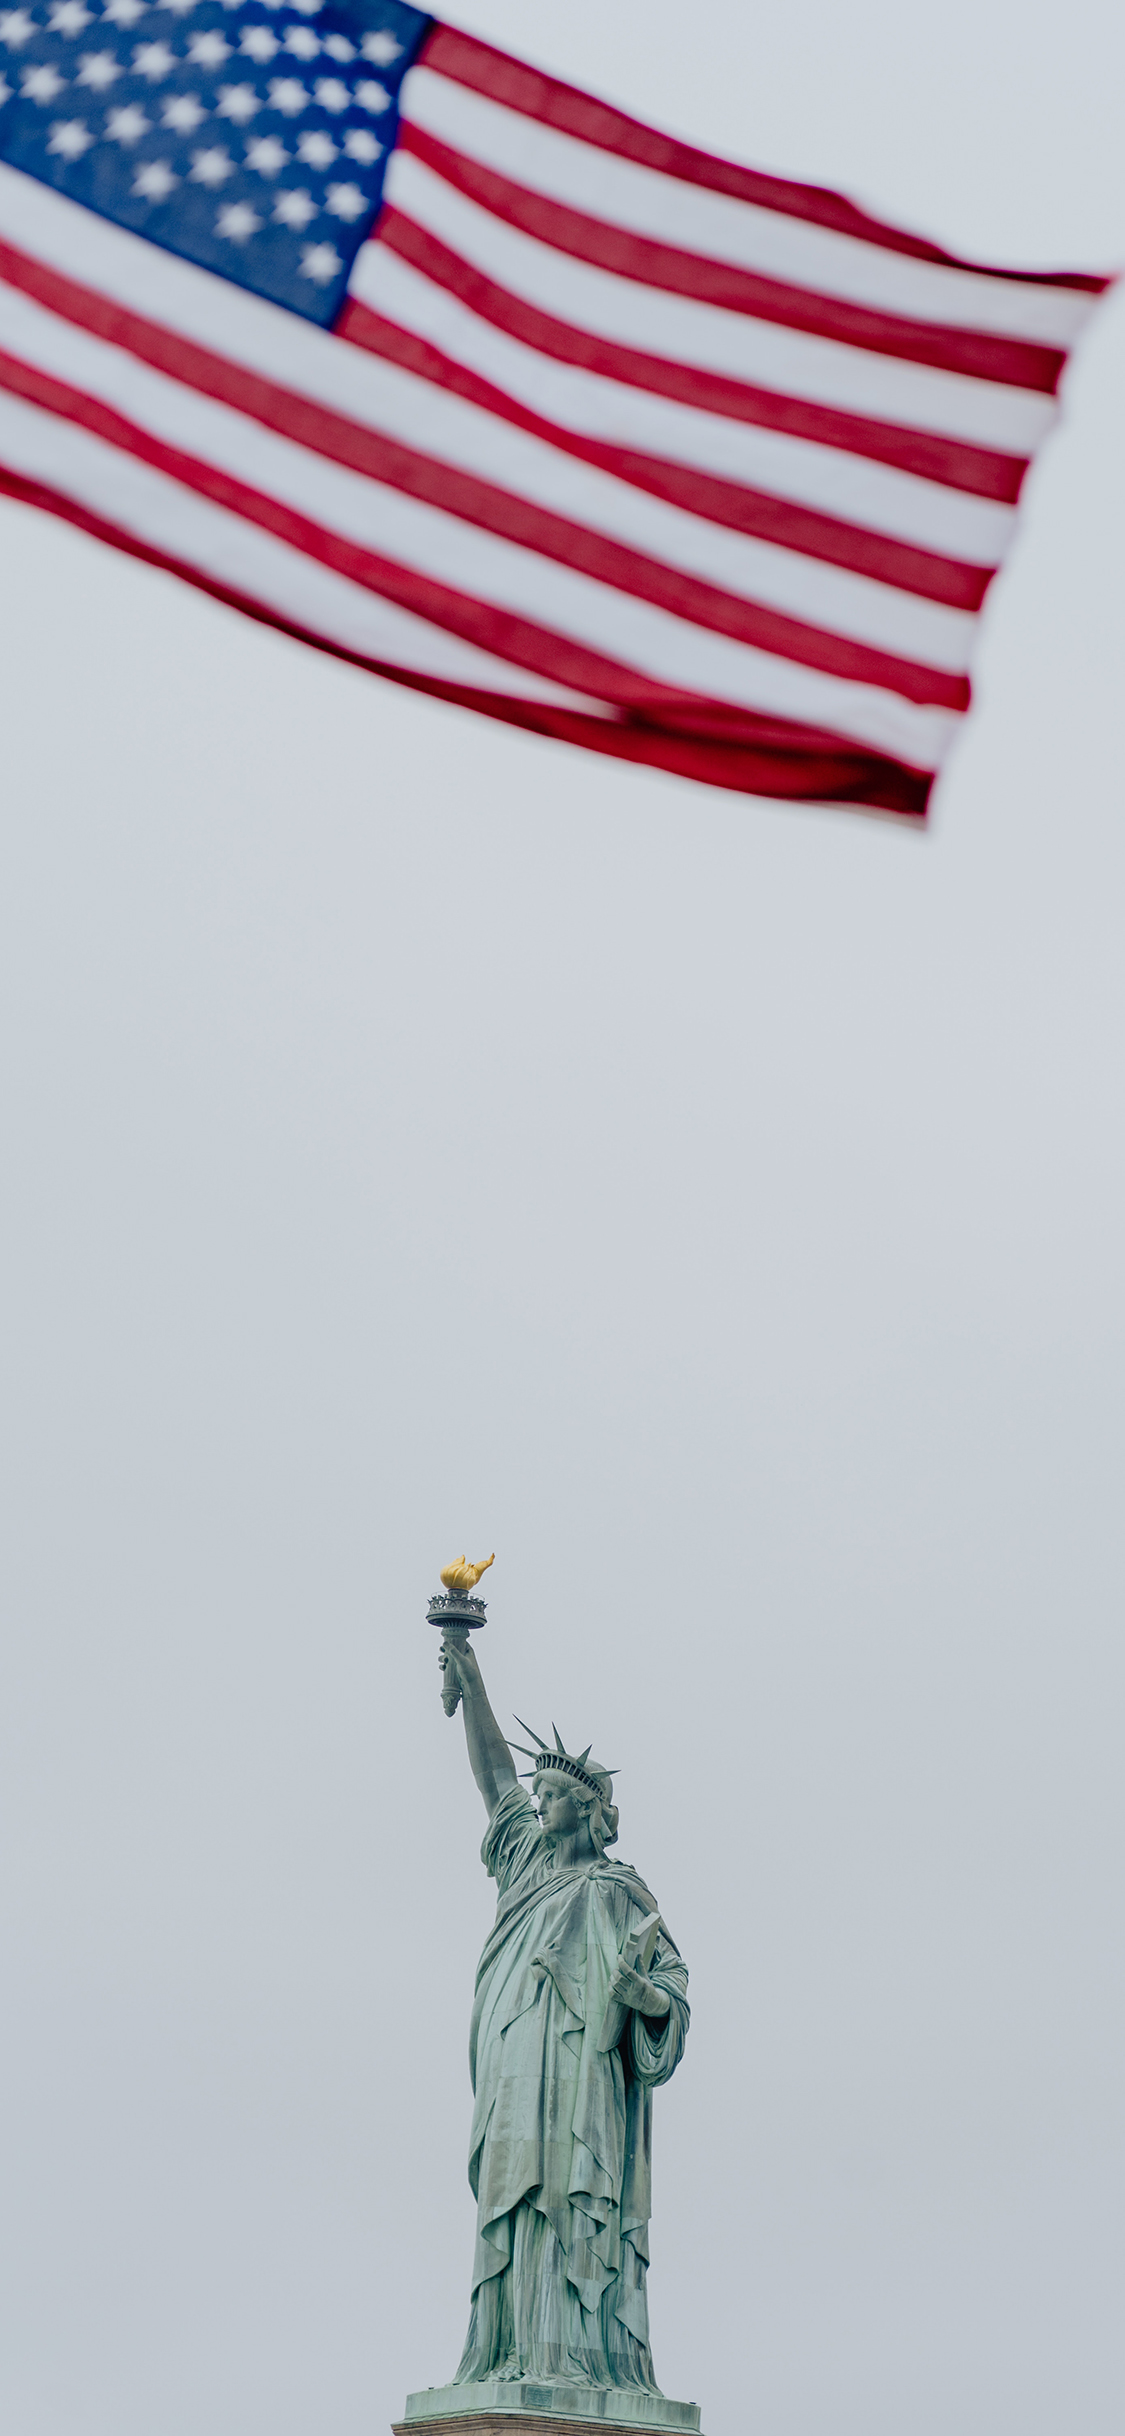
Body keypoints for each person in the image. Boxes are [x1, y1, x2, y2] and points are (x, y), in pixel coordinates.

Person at [440, 1632, 689, 2393]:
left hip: (585, 2076)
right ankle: (507, 2351)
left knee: (570, 2199)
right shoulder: (523, 1861)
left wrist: (644, 1998)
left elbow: (672, 1986)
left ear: (585, 1809)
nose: (537, 1802)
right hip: (516, 2063)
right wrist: (468, 1671)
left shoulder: (619, 1892)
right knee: (515, 2200)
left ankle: (574, 2355)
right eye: (539, 1793)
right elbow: (493, 1776)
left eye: (551, 1795)